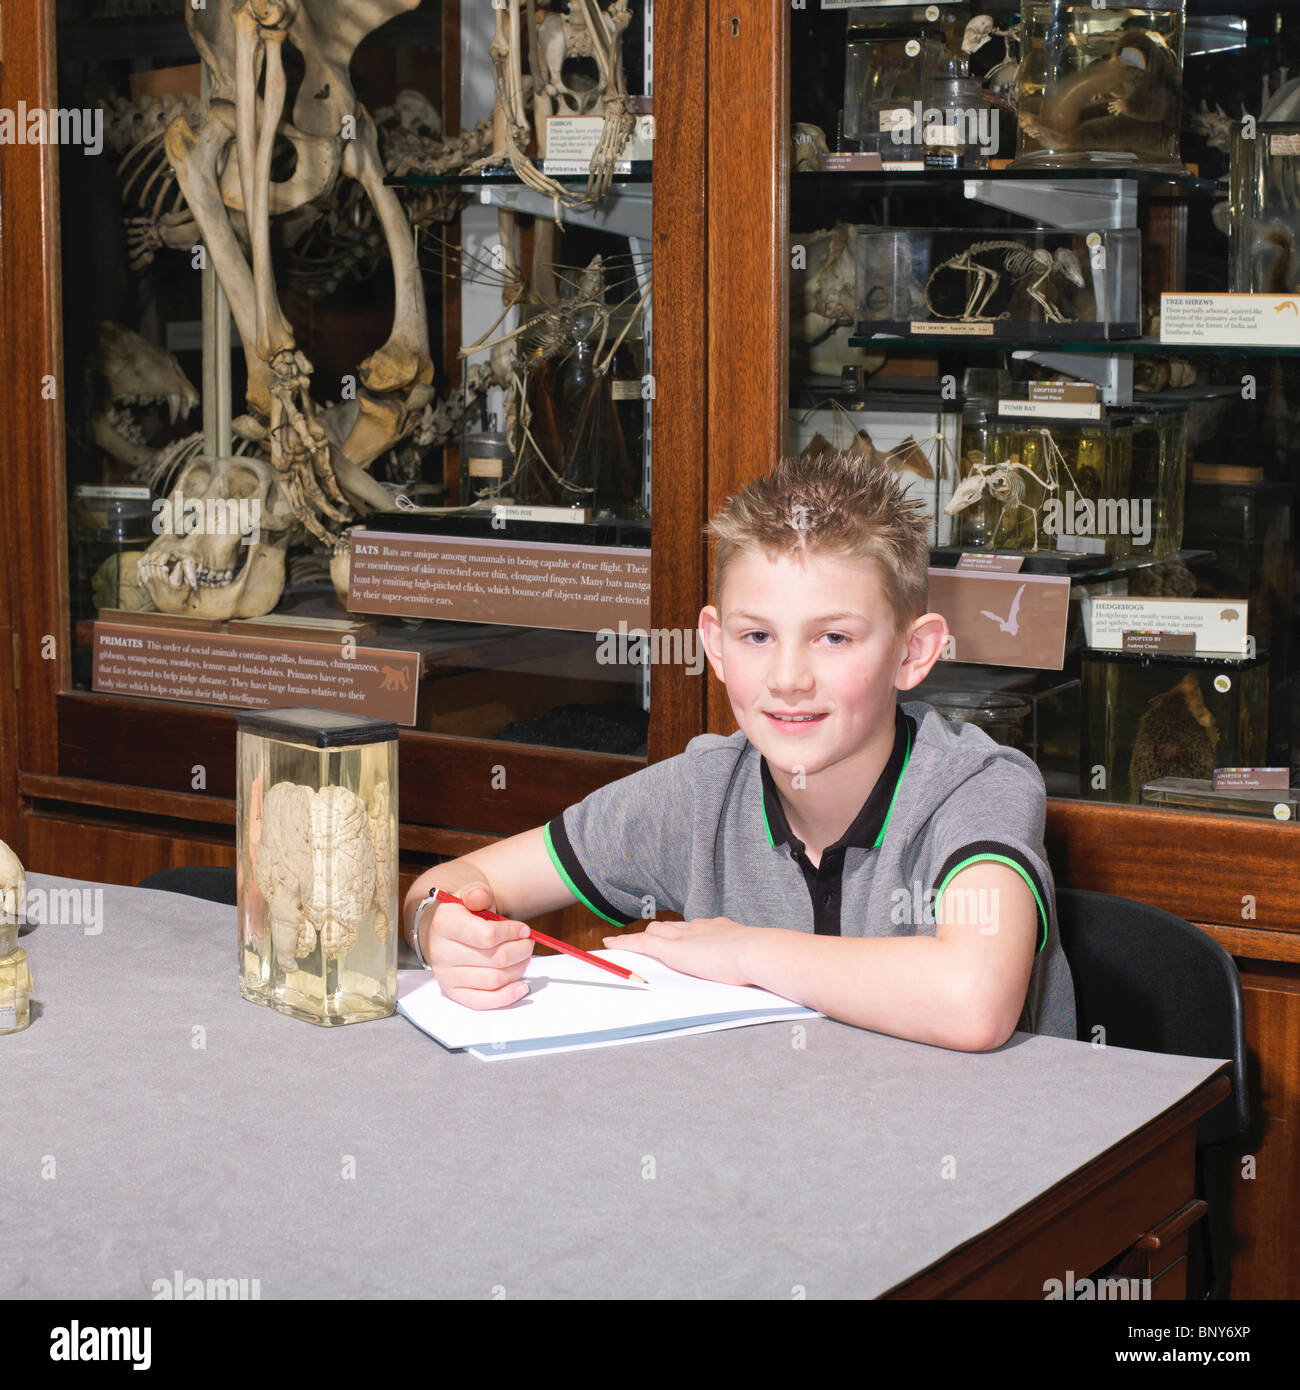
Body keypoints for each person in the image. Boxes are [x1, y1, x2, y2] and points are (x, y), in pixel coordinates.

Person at [403, 451, 1076, 1050]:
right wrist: (438, 925)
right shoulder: (702, 792)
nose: (788, 678)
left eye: (833, 638)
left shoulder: (976, 787)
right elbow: (451, 885)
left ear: (913, 651)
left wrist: (744, 950)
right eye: (758, 637)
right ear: (716, 644)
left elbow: (972, 1000)